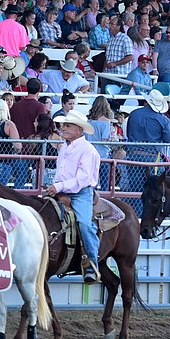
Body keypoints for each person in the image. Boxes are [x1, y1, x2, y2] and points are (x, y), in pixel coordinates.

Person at [46, 110, 102, 283]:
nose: (63, 128)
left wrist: (58, 186)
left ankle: (92, 263)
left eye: (68, 125)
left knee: (84, 224)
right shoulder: (65, 147)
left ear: (79, 129)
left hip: (81, 193)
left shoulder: (88, 151)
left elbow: (82, 179)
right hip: (61, 190)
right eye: (63, 125)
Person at [123, 90, 170, 213]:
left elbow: (128, 133)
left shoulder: (134, 114)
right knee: (154, 190)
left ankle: (136, 214)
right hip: (152, 158)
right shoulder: (163, 119)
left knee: (135, 188)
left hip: (133, 156)